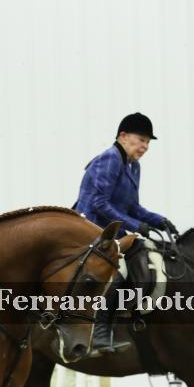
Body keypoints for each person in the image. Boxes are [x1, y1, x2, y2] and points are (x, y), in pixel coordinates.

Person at [74, 112, 178, 355]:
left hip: (112, 233)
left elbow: (133, 207)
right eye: (141, 140)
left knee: (141, 260)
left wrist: (159, 221)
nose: (145, 147)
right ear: (122, 136)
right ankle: (99, 333)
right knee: (118, 271)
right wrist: (137, 226)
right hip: (92, 230)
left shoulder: (134, 166)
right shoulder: (110, 159)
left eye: (148, 142)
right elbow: (99, 203)